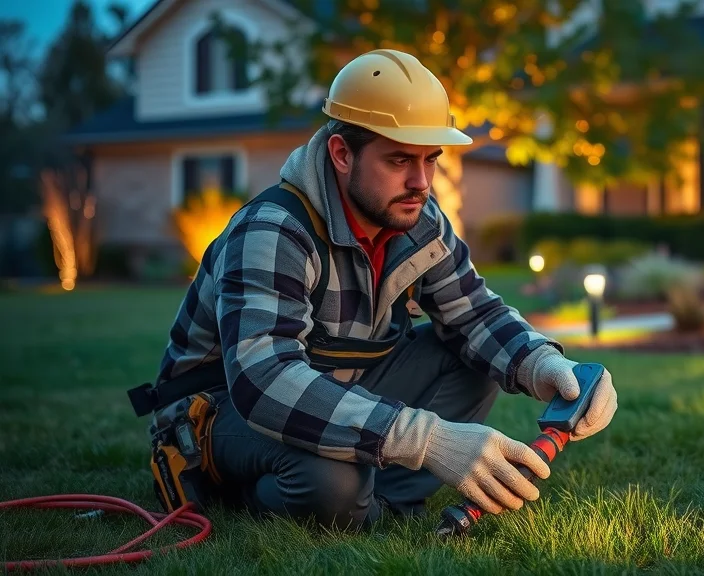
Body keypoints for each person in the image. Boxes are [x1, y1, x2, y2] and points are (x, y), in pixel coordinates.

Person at [142, 49, 617, 531]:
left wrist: (544, 365)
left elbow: (474, 314)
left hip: (334, 385)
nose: (421, 182)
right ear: (342, 154)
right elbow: (264, 380)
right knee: (333, 480)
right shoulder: (273, 230)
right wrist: (428, 440)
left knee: (473, 359)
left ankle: (382, 503)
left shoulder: (417, 218)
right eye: (399, 160)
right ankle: (258, 491)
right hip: (220, 411)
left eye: (431, 159)